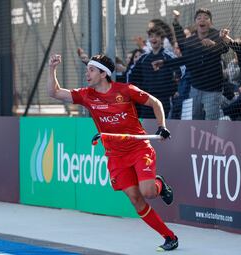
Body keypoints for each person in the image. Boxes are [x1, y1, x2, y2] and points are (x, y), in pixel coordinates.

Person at [47, 53, 178, 251]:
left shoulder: (125, 91)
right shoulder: (86, 95)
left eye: (91, 70)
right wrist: (52, 69)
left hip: (138, 148)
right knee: (135, 199)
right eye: (87, 69)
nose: (87, 73)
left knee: (148, 192)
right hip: (115, 155)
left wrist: (162, 126)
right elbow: (55, 93)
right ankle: (170, 237)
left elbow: (155, 103)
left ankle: (159, 183)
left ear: (103, 73)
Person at [153, 8, 229, 120]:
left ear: (211, 22)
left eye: (206, 18)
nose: (202, 20)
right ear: (196, 23)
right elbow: (185, 59)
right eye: (199, 18)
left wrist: (213, 45)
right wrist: (164, 63)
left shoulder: (217, 35)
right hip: (196, 86)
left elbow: (225, 49)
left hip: (213, 88)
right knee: (194, 118)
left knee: (212, 120)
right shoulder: (191, 41)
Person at [130, 26, 183, 119]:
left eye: (156, 36)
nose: (153, 39)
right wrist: (137, 92)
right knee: (146, 128)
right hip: (147, 99)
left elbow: (181, 72)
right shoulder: (143, 58)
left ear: (162, 39)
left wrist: (177, 90)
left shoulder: (168, 56)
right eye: (151, 36)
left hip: (165, 99)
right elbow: (132, 75)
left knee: (164, 128)